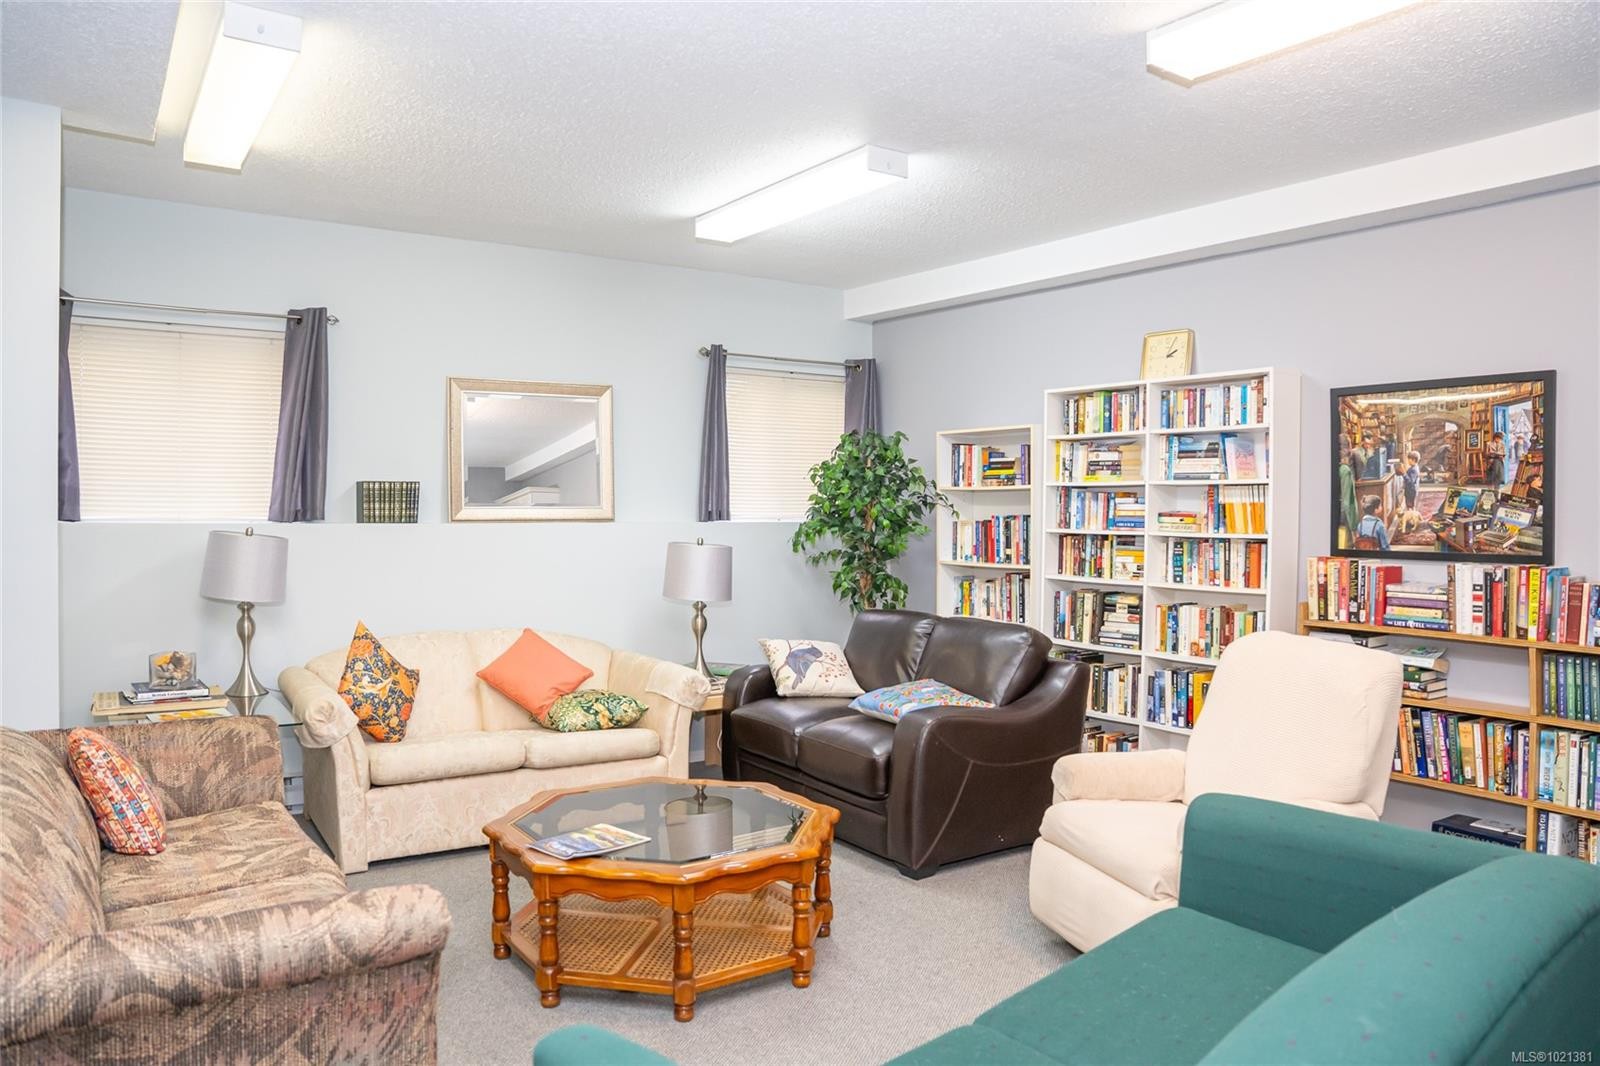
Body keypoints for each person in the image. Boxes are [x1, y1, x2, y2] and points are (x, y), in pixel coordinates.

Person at [1338, 447, 1360, 546]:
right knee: (1347, 545)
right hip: (1345, 515)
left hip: (1339, 511)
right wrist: (1353, 526)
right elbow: (1348, 499)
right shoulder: (1345, 470)